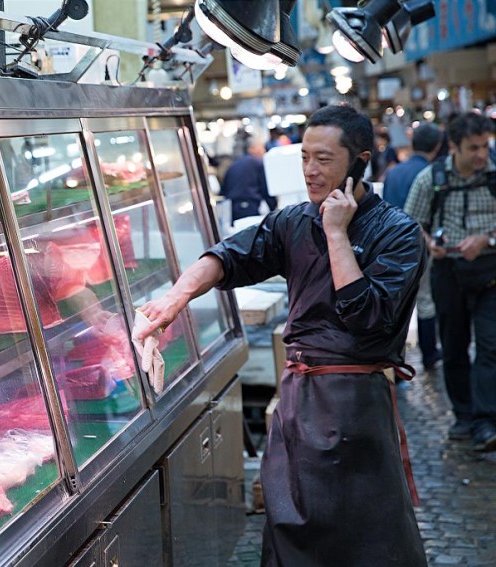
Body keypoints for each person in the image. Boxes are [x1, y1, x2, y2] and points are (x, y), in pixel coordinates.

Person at [136, 104, 426, 566]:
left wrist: (336, 235)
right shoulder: (292, 221)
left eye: (325, 159)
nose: (310, 170)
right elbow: (231, 256)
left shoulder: (399, 232)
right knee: (290, 525)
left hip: (357, 405)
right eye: (305, 157)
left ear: (360, 160)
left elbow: (367, 316)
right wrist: (175, 299)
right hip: (300, 399)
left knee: (367, 536)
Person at [404, 111, 496, 451]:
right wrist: (429, 243)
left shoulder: (494, 174)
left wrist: (487, 239)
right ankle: (464, 415)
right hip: (448, 273)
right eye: (474, 148)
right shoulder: (431, 178)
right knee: (454, 347)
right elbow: (412, 222)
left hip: (490, 272)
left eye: (485, 146)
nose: (482, 155)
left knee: (490, 346)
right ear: (453, 146)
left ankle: (487, 420)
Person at [383, 122, 445, 372]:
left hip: (391, 246)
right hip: (423, 245)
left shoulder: (394, 173)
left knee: (394, 303)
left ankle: (392, 360)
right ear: (438, 146)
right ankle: (429, 353)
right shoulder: (433, 174)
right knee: (426, 300)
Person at [219, 138, 277, 222]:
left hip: (233, 210)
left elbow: (224, 190)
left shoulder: (233, 165)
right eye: (261, 148)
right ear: (251, 149)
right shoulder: (258, 164)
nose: (264, 151)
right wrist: (273, 207)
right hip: (251, 208)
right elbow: (266, 188)